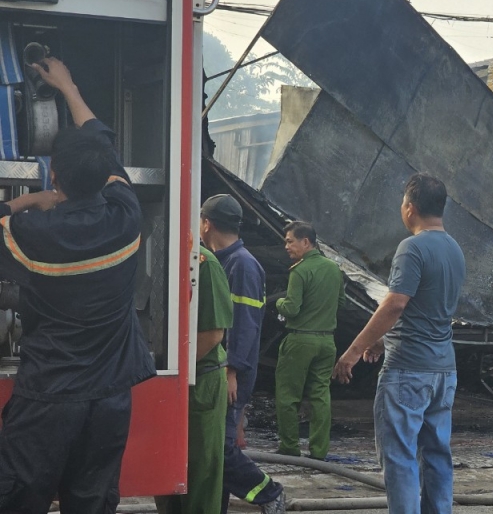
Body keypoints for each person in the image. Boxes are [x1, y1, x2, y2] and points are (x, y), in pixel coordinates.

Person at [0, 57, 156, 512]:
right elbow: (104, 151)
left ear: (53, 176)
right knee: (91, 501)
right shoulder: (127, 218)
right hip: (109, 398)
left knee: (19, 497)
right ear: (104, 180)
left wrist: (25, 201)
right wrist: (69, 87)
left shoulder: (32, 235)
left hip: (50, 396)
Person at [333, 173, 466, 514]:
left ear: (410, 208)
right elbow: (428, 306)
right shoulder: (454, 248)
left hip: (409, 370)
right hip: (443, 371)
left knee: (399, 456)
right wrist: (380, 339)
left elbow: (396, 303)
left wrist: (352, 351)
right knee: (436, 453)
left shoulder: (413, 247)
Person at [199, 194, 286, 514]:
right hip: (220, 369)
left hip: (229, 371)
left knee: (219, 448)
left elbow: (245, 325)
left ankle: (268, 492)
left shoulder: (243, 265)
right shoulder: (220, 261)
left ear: (207, 223)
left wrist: (231, 371)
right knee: (213, 446)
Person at [156, 246, 233, 514]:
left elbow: (213, 333)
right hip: (167, 380)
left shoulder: (204, 263)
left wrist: (177, 371)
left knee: (200, 473)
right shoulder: (162, 253)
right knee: (165, 476)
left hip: (199, 380)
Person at [275, 221, 345, 460]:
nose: (287, 246)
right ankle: (319, 451)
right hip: (327, 342)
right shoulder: (334, 269)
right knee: (320, 396)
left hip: (300, 340)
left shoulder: (300, 270)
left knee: (288, 395)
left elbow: (292, 308)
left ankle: (290, 447)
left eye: (289, 241)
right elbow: (341, 303)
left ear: (306, 242)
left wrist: (277, 303)